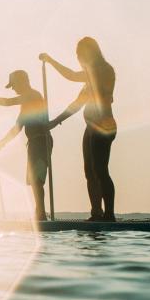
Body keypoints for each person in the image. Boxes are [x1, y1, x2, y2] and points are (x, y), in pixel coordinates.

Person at [39, 37, 116, 221]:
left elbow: (72, 76)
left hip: (104, 126)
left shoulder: (104, 70)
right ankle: (96, 213)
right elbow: (75, 105)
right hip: (90, 128)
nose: (79, 58)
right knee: (89, 171)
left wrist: (50, 60)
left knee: (100, 170)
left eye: (80, 54)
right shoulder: (88, 81)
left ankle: (109, 214)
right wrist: (54, 122)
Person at [0, 70, 52, 222]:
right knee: (33, 181)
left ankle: (42, 216)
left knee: (37, 180)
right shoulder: (26, 105)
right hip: (33, 142)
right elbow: (17, 128)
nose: (13, 88)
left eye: (14, 85)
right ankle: (39, 214)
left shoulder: (34, 95)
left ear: (23, 81)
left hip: (41, 141)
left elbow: (7, 102)